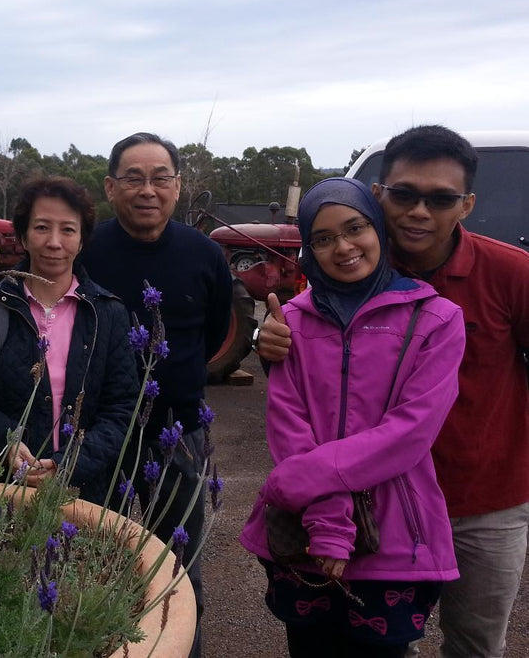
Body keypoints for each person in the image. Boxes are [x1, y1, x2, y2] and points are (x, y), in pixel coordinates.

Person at [258, 125, 529, 658]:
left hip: (484, 501)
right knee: (382, 642)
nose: (419, 211)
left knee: (474, 644)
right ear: (380, 195)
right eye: (405, 194)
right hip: (375, 500)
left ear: (467, 204)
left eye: (441, 198)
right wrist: (264, 338)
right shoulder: (356, 267)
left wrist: (300, 477)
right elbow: (310, 366)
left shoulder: (510, 273)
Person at [240, 176, 466, 657]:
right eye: (322, 239)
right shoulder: (292, 322)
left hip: (394, 534)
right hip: (303, 533)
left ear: (379, 231)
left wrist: (316, 496)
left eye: (355, 228)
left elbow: (409, 432)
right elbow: (287, 421)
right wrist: (328, 521)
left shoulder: (437, 319)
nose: (342, 247)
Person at [79, 132, 233, 657]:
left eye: (160, 178)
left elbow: (212, 335)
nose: (148, 190)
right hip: (101, 435)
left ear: (177, 186)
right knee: (95, 563)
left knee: (179, 569)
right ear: (110, 187)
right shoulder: (87, 249)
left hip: (179, 434)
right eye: (134, 178)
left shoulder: (205, 254)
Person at [0, 175, 138, 505]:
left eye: (68, 230)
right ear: (24, 236)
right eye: (42, 227)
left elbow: (122, 410)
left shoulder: (107, 315)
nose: (54, 242)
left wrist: (70, 463)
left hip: (84, 496)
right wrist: (7, 440)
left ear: (82, 240)